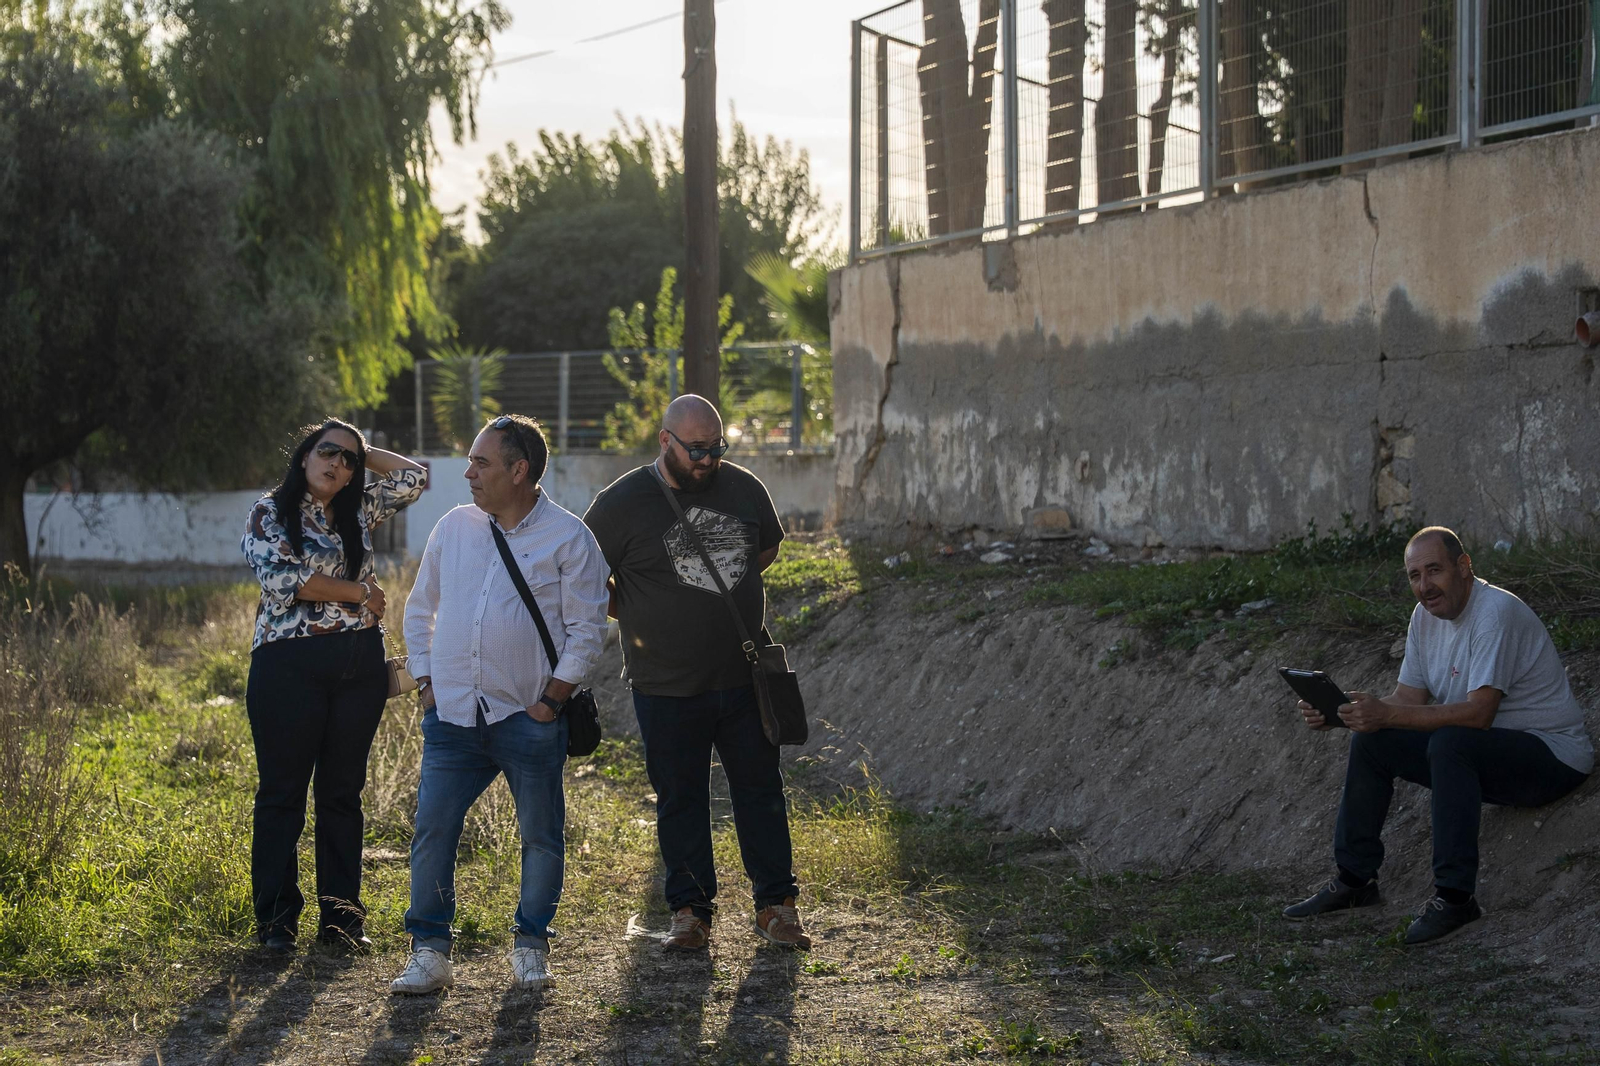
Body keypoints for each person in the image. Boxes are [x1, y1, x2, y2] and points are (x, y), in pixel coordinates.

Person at [1285, 526, 1593, 944]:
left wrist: (1387, 713)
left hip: (1553, 758)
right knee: (1374, 742)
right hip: (1488, 754)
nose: (1425, 586)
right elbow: (1407, 699)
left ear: (1464, 567)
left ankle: (1455, 898)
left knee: (1451, 741)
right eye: (1415, 575)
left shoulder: (1494, 612)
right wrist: (1344, 713)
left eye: (1434, 570)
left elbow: (1479, 715)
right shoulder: (1424, 617)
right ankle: (1355, 880)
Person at [582, 394, 811, 952]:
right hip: (665, 685)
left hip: (744, 677)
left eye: (716, 447)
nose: (708, 459)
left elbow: (764, 551)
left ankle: (776, 907)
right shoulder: (620, 503)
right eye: (696, 450)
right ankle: (690, 913)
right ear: (665, 441)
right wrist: (639, 607)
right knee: (680, 799)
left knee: (761, 792)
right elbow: (585, 577)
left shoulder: (744, 487)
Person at [390, 415, 608, 994]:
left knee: (541, 836)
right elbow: (420, 609)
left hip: (527, 717)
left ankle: (530, 946)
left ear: (519, 470)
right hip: (453, 716)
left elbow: (587, 629)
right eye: (470, 461)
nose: (468, 473)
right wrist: (428, 683)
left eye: (481, 463)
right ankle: (430, 952)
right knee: (433, 830)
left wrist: (551, 700)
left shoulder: (569, 538)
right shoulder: (453, 528)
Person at [241, 419, 427, 954]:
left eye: (349, 460)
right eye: (327, 452)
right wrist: (360, 593)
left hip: (357, 668)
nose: (337, 464)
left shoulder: (358, 509)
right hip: (287, 665)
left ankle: (342, 920)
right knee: (282, 794)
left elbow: (414, 477)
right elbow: (284, 580)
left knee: (342, 795)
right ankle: (277, 924)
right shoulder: (269, 512)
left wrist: (362, 450)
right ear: (304, 455)